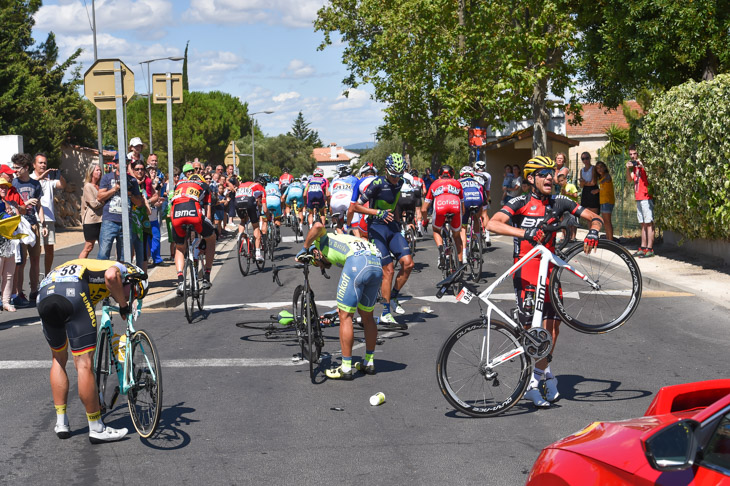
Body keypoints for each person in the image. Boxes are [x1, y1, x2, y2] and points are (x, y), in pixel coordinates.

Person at [487, 155, 603, 408]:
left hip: (550, 274)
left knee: (552, 332)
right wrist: (524, 232)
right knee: (534, 334)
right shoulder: (519, 202)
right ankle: (532, 383)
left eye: (551, 172)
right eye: (543, 173)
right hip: (526, 273)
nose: (550, 177)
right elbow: (492, 223)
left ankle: (541, 375)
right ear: (531, 178)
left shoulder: (560, 201)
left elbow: (595, 216)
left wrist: (594, 230)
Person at [37, 258, 148, 443]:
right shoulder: (120, 268)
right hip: (72, 292)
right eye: (135, 292)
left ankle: (61, 422)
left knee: (58, 358)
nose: (133, 297)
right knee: (84, 363)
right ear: (130, 278)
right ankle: (96, 427)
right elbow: (111, 276)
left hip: (45, 293)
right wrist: (123, 305)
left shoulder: (89, 266)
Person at [296, 223, 383, 380]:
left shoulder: (321, 241)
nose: (320, 265)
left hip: (357, 263)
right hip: (376, 263)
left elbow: (317, 225)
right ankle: (369, 362)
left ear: (316, 254)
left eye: (318, 263)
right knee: (367, 317)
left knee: (345, 316)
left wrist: (304, 247)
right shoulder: (344, 238)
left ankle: (346, 367)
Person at [352, 154, 413, 329]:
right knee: (389, 269)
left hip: (392, 227)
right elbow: (356, 206)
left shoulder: (400, 182)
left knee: (408, 264)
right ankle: (386, 312)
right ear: (386, 171)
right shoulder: (377, 184)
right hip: (376, 228)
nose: (396, 179)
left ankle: (393, 296)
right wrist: (377, 213)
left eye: (399, 175)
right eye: (393, 175)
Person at [170, 171, 216, 293]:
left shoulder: (179, 183)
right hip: (193, 213)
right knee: (211, 239)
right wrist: (205, 236)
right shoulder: (205, 185)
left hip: (176, 214)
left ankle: (180, 281)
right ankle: (206, 276)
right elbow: (208, 213)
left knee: (180, 247)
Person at [12, 153, 47, 307]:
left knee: (35, 259)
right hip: (20, 225)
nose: (15, 171)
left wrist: (43, 224)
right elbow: (12, 206)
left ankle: (34, 290)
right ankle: (19, 292)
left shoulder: (35, 184)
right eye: (13, 168)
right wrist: (25, 203)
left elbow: (39, 206)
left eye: (17, 168)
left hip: (34, 225)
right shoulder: (13, 184)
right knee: (21, 261)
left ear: (26, 168)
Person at [96, 153, 144, 262]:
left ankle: (121, 278)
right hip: (110, 220)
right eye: (120, 162)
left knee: (125, 256)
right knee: (104, 253)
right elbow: (99, 197)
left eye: (126, 163)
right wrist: (115, 188)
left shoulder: (132, 180)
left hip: (126, 221)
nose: (123, 165)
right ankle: (100, 277)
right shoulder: (107, 178)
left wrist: (129, 193)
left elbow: (139, 202)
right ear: (115, 164)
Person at [31, 153, 66, 275]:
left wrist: (59, 175)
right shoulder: (31, 178)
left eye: (45, 163)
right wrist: (41, 177)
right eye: (40, 163)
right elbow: (32, 183)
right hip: (34, 218)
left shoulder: (49, 179)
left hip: (49, 218)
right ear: (34, 164)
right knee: (36, 251)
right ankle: (35, 276)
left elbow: (62, 185)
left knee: (49, 249)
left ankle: (47, 275)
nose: (43, 165)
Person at [422, 164, 464, 267]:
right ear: (452, 175)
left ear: (439, 176)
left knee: (436, 230)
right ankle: (460, 263)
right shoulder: (457, 183)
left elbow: (424, 209)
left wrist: (425, 221)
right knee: (457, 236)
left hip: (440, 207)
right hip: (455, 207)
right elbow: (463, 207)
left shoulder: (434, 184)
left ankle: (441, 251)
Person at [626, 145, 655, 258]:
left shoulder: (643, 165)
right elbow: (629, 179)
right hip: (638, 197)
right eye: (631, 154)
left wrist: (641, 164)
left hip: (646, 197)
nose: (632, 156)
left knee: (648, 223)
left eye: (634, 153)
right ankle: (643, 247)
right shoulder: (635, 168)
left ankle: (650, 248)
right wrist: (628, 169)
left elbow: (650, 174)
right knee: (643, 224)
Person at [1, 179, 23, 311]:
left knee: (9, 274)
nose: (3, 189)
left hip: (9, 242)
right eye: (1, 187)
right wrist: (5, 216)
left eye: (5, 187)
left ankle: (6, 301)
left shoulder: (9, 204)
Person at [234, 174, 267, 263]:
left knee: (243, 220)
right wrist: (267, 216)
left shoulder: (244, 184)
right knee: (256, 226)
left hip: (237, 201)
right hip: (249, 201)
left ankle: (240, 236)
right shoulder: (261, 188)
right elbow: (263, 208)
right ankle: (258, 253)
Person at [458, 166, 485, 261]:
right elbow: (483, 196)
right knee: (476, 218)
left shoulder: (458, 182)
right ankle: (477, 240)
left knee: (463, 227)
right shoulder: (478, 182)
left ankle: (464, 254)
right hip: (478, 201)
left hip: (466, 201)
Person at [347, 163, 378, 239]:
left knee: (364, 237)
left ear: (363, 175)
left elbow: (351, 208)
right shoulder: (382, 179)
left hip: (368, 214)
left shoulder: (360, 181)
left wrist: (348, 224)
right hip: (386, 214)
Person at [80, 162, 104, 258]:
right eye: (97, 170)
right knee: (89, 246)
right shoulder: (88, 186)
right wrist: (105, 201)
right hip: (91, 221)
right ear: (91, 172)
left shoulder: (101, 186)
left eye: (100, 170)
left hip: (102, 219)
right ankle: (79, 266)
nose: (99, 172)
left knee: (103, 246)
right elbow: (94, 204)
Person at [330, 164, 358, 234]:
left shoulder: (334, 180)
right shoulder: (354, 178)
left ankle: (341, 236)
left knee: (339, 224)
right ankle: (358, 239)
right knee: (355, 226)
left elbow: (329, 194)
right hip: (348, 200)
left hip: (335, 202)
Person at [473, 161, 492, 246]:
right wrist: (487, 199)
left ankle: (475, 238)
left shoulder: (472, 174)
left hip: (472, 197)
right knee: (484, 214)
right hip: (482, 196)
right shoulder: (487, 175)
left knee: (475, 217)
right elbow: (487, 189)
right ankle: (487, 235)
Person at [556, 172, 579, 241]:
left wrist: (567, 193)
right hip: (565, 209)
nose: (561, 183)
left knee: (573, 223)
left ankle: (573, 237)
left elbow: (576, 195)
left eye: (562, 180)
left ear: (565, 179)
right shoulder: (562, 189)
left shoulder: (571, 186)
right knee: (566, 223)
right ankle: (567, 236)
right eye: (559, 181)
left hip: (572, 207)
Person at [595, 161, 615, 241]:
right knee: (605, 222)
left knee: (607, 221)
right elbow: (605, 188)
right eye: (597, 168)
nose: (599, 169)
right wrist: (598, 190)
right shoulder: (601, 178)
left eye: (601, 167)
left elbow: (607, 179)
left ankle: (610, 240)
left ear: (604, 168)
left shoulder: (607, 176)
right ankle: (608, 238)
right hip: (602, 201)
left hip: (607, 201)